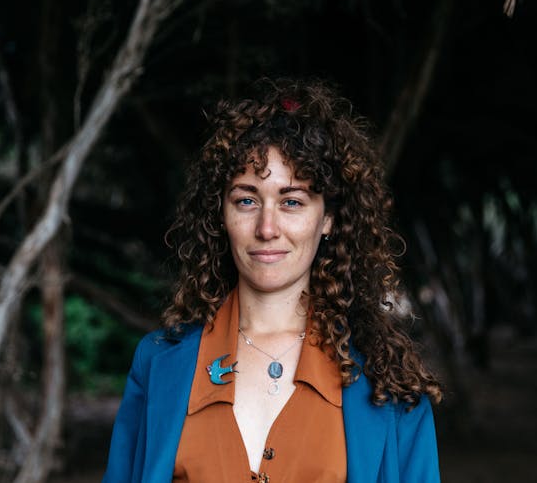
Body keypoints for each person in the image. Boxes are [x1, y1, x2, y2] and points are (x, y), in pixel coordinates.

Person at [103, 78, 442, 483]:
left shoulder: (390, 383)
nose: (267, 228)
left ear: (329, 218)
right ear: (221, 215)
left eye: (292, 202)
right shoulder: (157, 364)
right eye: (246, 200)